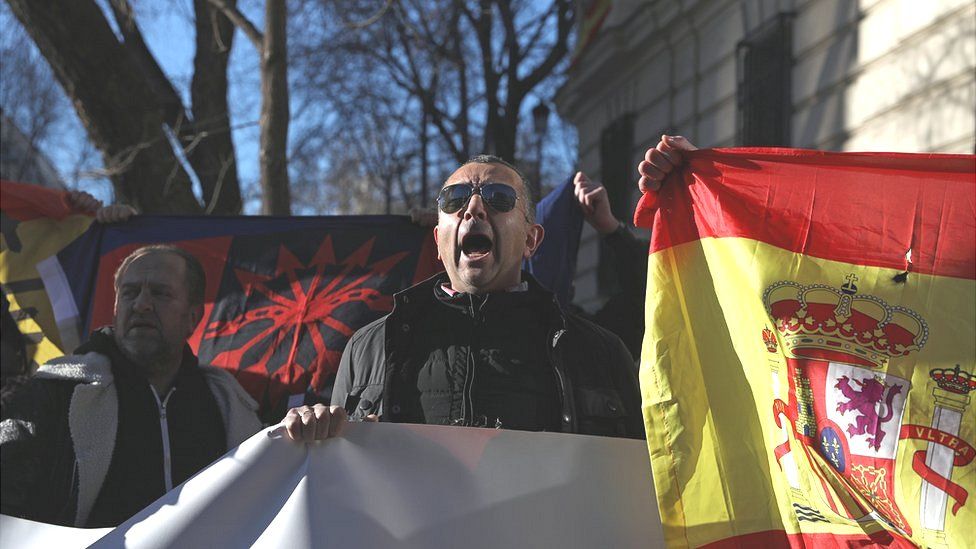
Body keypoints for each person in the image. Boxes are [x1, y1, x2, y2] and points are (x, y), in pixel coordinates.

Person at [285, 155, 643, 441]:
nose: (473, 208)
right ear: (439, 241)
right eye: (454, 199)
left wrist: (614, 231)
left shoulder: (594, 351)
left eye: (499, 199)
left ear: (532, 240)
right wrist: (313, 430)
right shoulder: (371, 346)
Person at [0, 245, 261, 527]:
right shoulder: (55, 392)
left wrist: (310, 431)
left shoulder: (230, 405)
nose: (141, 304)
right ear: (115, 308)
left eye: (161, 293)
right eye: (130, 293)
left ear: (192, 317)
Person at [572, 171, 649, 360]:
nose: (484, 211)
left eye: (500, 197)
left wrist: (612, 229)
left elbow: (647, 298)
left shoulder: (569, 332)